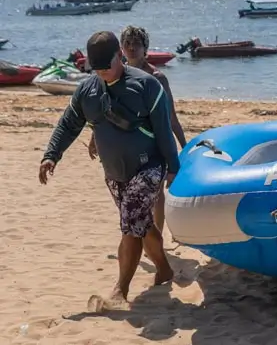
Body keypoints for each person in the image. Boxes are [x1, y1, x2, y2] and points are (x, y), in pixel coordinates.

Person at [39, 31, 180, 310]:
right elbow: (69, 124)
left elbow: (164, 130)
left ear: (120, 55)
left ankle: (120, 290)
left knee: (130, 224)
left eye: (107, 66)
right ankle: (164, 269)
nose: (103, 73)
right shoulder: (87, 90)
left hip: (148, 167)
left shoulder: (147, 85)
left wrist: (173, 168)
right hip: (115, 172)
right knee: (140, 223)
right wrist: (51, 155)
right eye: (97, 69)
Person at [88, 25, 186, 234]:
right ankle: (133, 234)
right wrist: (93, 137)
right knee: (125, 189)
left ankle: (156, 237)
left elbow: (171, 117)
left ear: (145, 48)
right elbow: (104, 112)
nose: (132, 48)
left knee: (156, 193)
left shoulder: (157, 78)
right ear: (121, 48)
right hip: (123, 144)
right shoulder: (115, 75)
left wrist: (184, 147)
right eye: (127, 44)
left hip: (153, 142)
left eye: (137, 44)